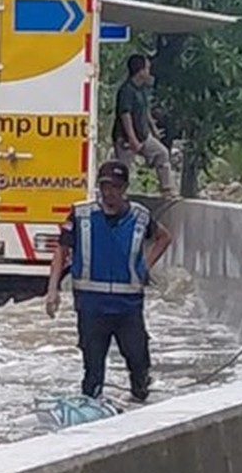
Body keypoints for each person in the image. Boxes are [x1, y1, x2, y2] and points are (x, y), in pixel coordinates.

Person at [45, 161, 174, 401]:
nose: (109, 192)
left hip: (128, 306)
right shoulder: (81, 214)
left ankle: (139, 398)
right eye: (105, 186)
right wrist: (53, 291)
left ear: (124, 187)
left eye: (115, 187)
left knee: (138, 361)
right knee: (93, 369)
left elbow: (164, 238)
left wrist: (144, 266)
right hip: (92, 305)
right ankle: (93, 409)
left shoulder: (140, 216)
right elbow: (61, 251)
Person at [112, 54, 176, 197]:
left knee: (162, 153)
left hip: (143, 135)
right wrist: (132, 138)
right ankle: (118, 195)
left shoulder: (141, 89)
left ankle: (167, 189)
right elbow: (125, 115)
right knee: (123, 169)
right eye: (147, 69)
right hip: (126, 139)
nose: (149, 72)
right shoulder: (126, 90)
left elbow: (145, 111)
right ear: (140, 71)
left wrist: (153, 130)